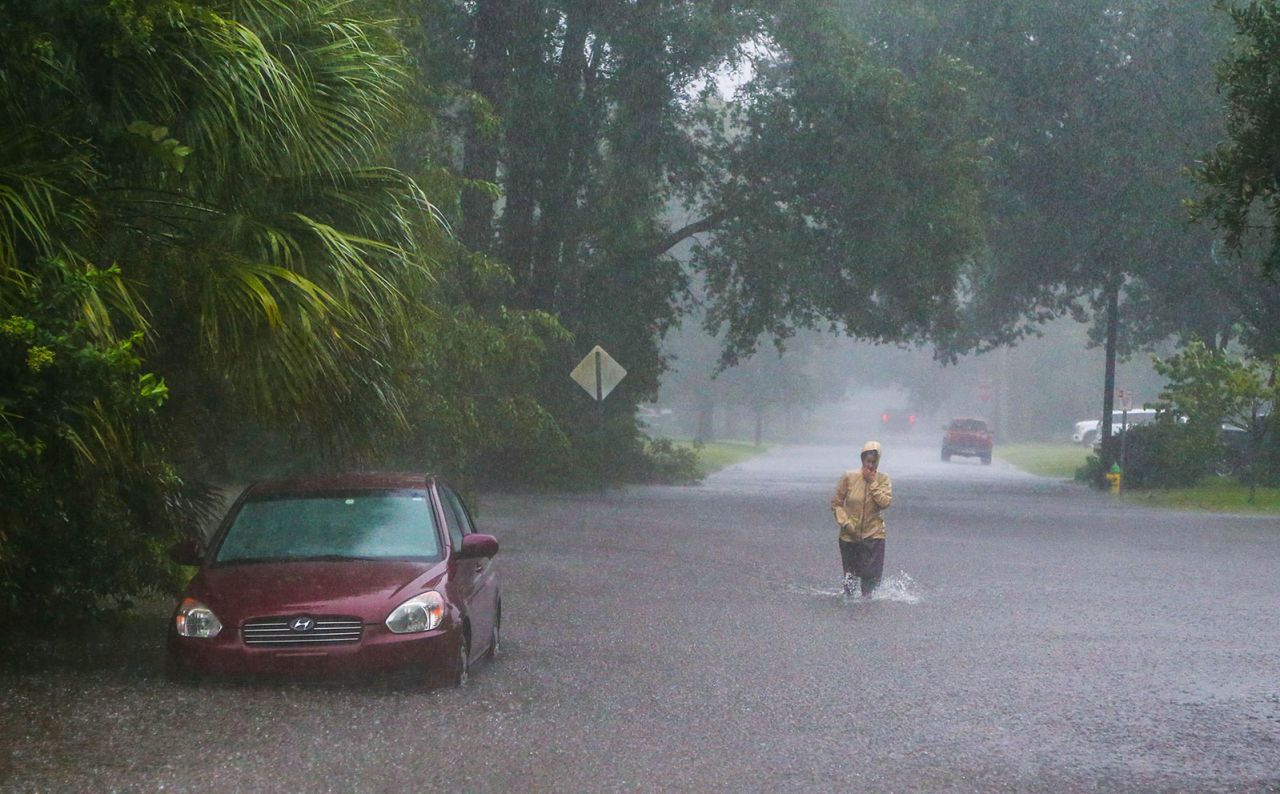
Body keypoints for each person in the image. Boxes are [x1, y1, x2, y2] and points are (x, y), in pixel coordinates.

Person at [830, 441, 893, 597]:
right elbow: (836, 503)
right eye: (867, 462)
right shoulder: (849, 477)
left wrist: (872, 482)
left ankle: (867, 600)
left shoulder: (883, 479)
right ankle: (849, 600)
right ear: (862, 461)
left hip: (874, 534)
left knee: (870, 575)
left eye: (873, 462)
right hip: (849, 535)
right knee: (850, 574)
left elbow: (885, 502)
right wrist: (845, 523)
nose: (870, 466)